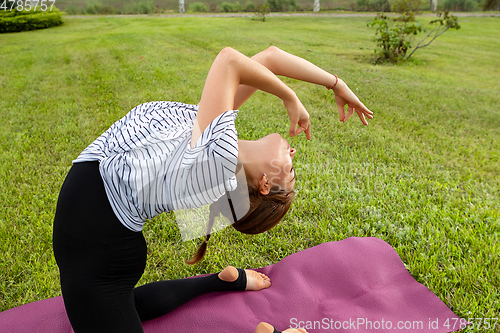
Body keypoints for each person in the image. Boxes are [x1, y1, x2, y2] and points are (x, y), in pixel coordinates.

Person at [52, 46, 372, 333]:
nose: (293, 154)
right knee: (120, 304)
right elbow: (269, 58)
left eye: (288, 170)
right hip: (100, 242)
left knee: (109, 302)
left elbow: (229, 59)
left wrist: (288, 96)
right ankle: (220, 282)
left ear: (263, 183)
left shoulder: (217, 158)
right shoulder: (215, 134)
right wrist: (336, 84)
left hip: (96, 249)